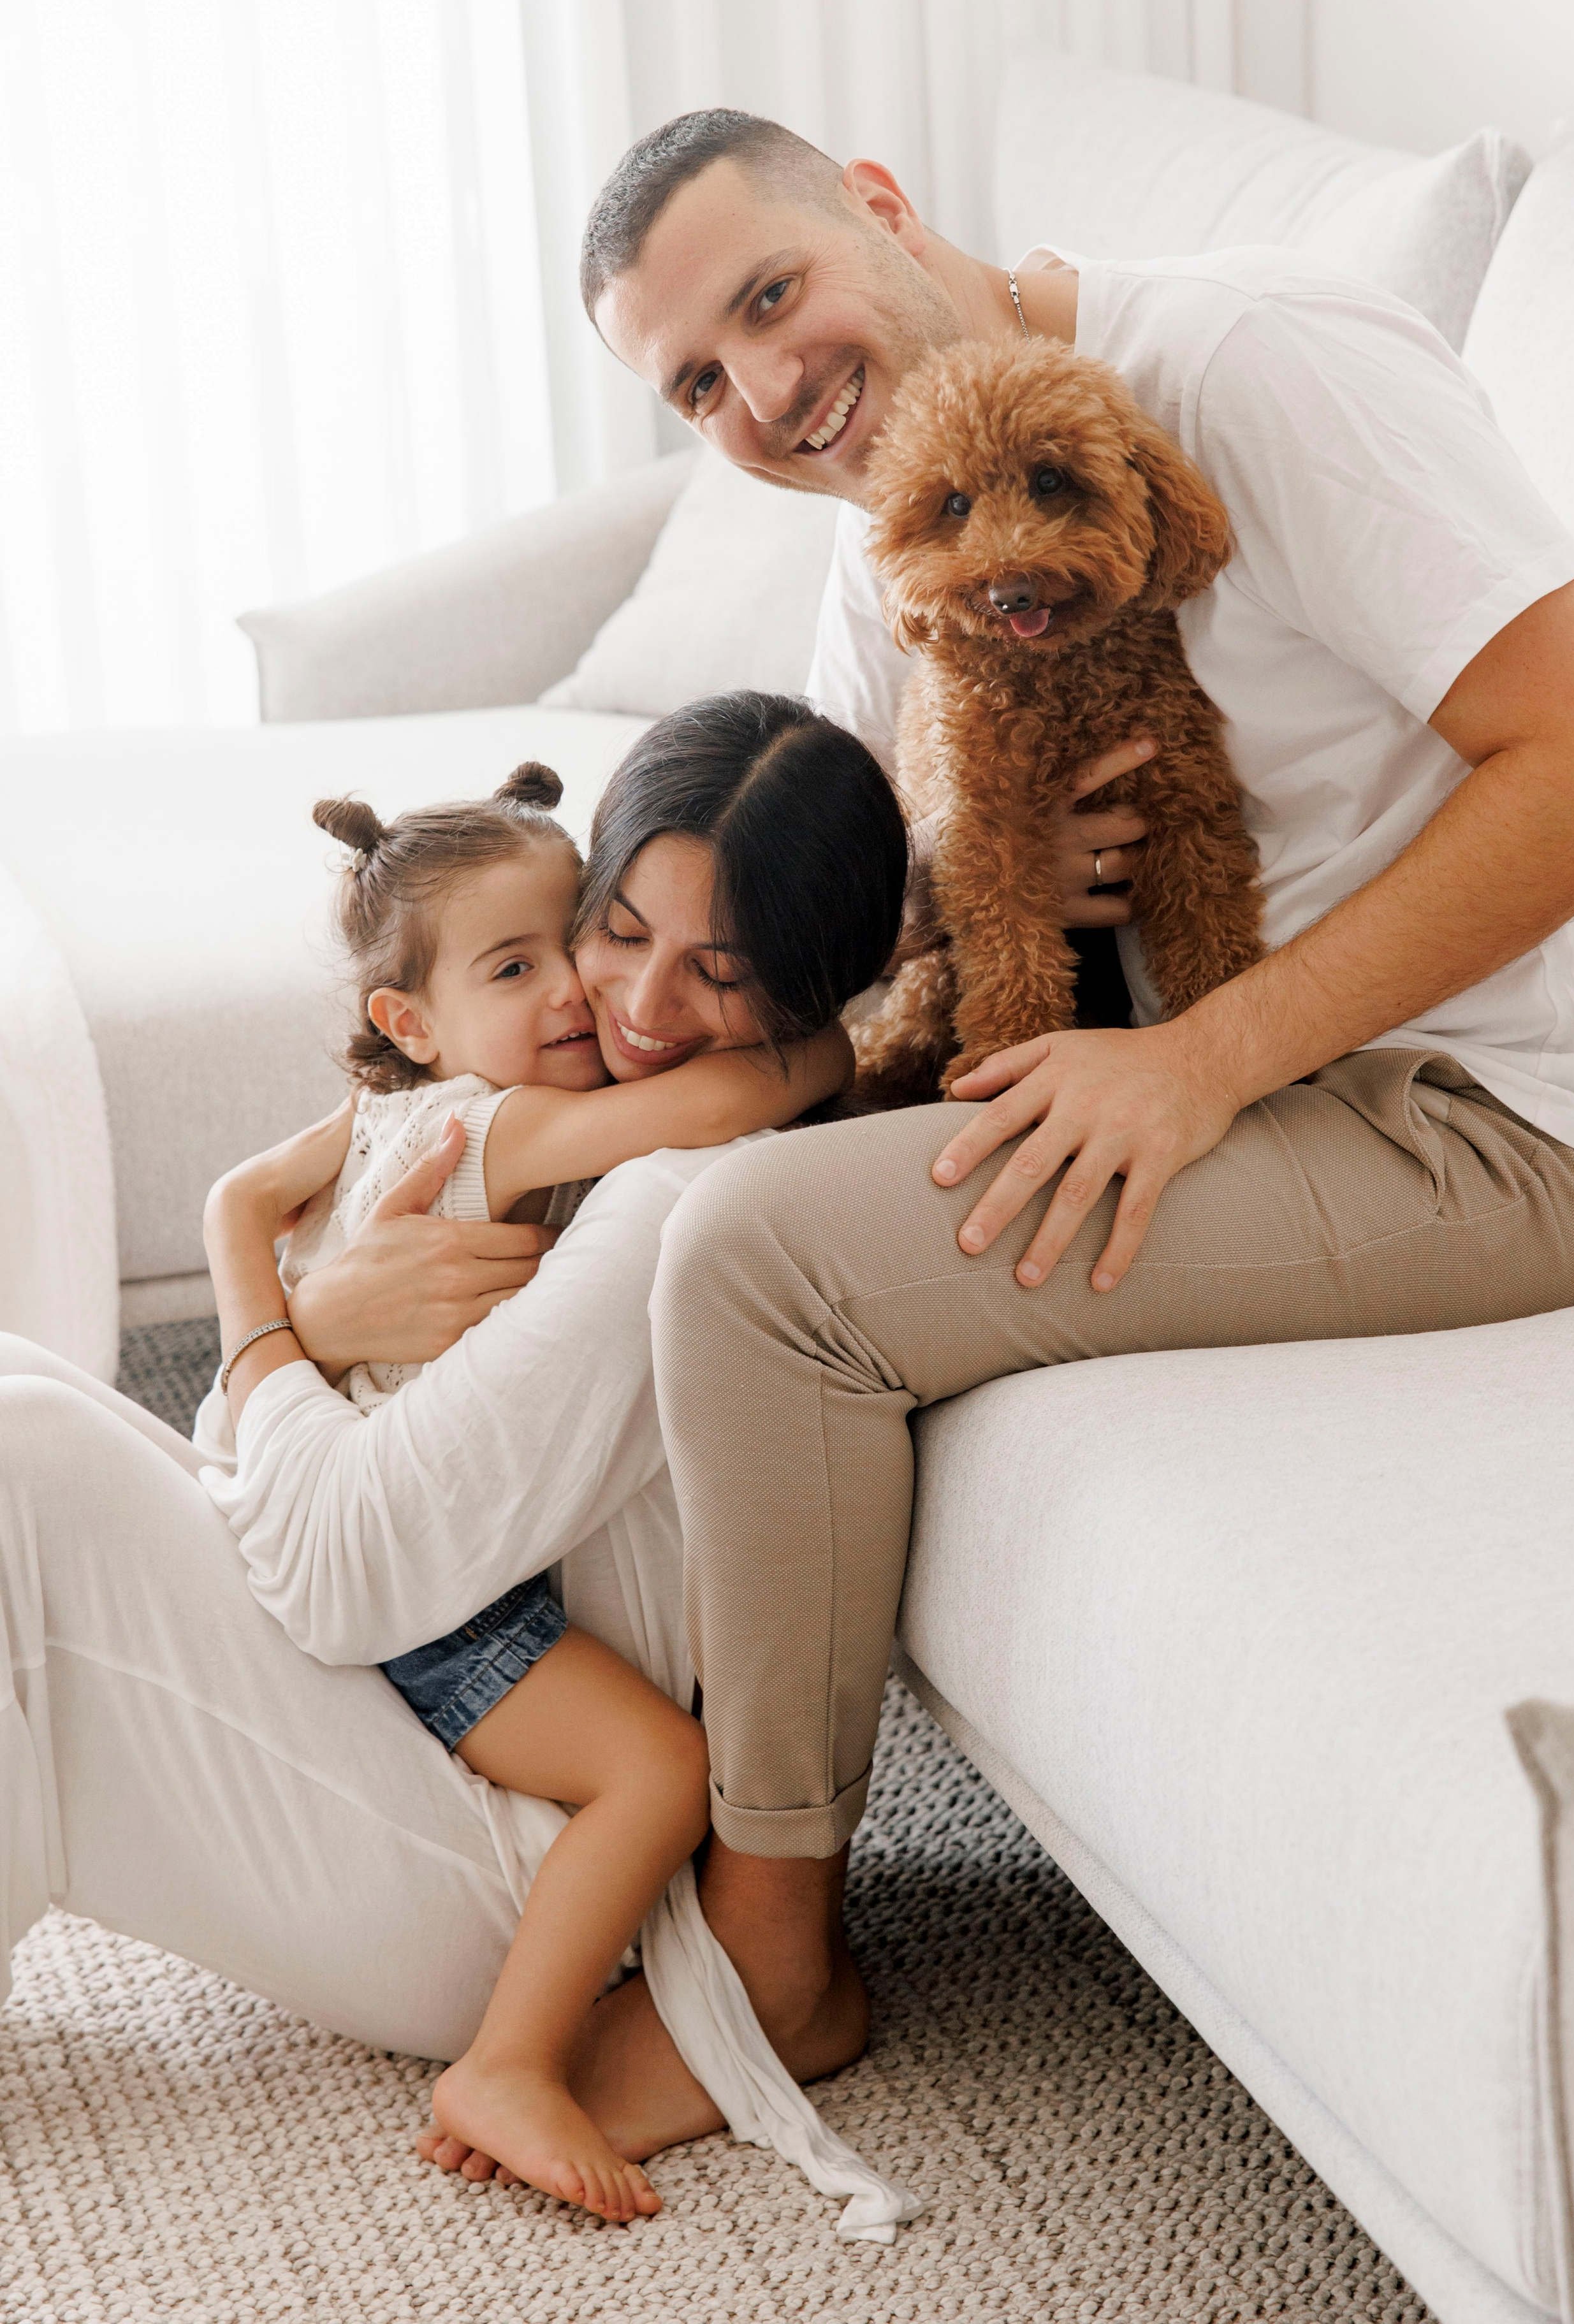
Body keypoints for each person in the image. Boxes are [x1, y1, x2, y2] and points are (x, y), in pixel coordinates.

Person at [560, 108, 1574, 2096]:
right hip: (1230, 1057)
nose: (764, 395)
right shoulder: (892, 550)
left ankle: (776, 1952)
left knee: (755, 1262)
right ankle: (520, 1720)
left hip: (1511, 1104)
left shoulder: (1250, 363)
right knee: (651, 1187)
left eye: (770, 298)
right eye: (696, 381)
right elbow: (858, 924)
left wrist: (1203, 1055)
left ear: (878, 206)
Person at [0, 693, 916, 2229]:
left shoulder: (661, 1195)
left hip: (517, 1849)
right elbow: (280, 1480)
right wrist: (304, 1309)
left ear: (805, 997)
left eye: (723, 971)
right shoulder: (553, 1119)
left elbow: (331, 1575)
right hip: (440, 1712)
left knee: (23, 1460)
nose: (619, 1000)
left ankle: (520, 2055)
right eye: (607, 929)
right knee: (21, 1393)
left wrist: (263, 1316)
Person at [197, 732, 852, 2221]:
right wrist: (831, 1040)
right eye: (514, 972)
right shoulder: (492, 1126)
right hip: (436, 1601)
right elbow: (716, 1105)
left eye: (575, 941)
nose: (576, 994)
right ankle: (508, 2059)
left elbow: (278, 1178)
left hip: (410, 1539)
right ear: (407, 1020)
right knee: (659, 1771)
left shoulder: (386, 1106)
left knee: (635, 1761)